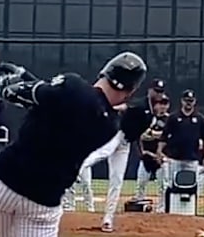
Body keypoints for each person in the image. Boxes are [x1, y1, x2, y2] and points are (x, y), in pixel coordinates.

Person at [0, 52, 148, 237]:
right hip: (42, 200)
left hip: (2, 181)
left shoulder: (72, 84)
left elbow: (19, 94)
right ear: (131, 90)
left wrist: (10, 83)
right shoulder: (109, 128)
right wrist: (23, 75)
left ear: (105, 71)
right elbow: (62, 103)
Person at [64, 79, 159, 232]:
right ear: (150, 92)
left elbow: (137, 136)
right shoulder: (141, 103)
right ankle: (75, 167)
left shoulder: (152, 118)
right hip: (117, 134)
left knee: (117, 180)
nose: (161, 103)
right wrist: (109, 109)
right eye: (158, 95)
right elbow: (124, 107)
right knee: (101, 153)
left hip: (125, 144)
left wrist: (142, 153)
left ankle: (108, 219)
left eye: (163, 101)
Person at [157, 89, 204, 209]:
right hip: (174, 158)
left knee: (191, 185)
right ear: (182, 101)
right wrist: (159, 151)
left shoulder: (200, 119)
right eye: (186, 101)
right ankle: (166, 209)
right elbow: (164, 136)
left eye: (191, 101)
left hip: (192, 159)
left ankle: (190, 210)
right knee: (170, 184)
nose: (188, 103)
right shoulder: (173, 117)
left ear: (195, 102)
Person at [132, 89, 170, 212]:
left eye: (165, 104)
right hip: (147, 156)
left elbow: (167, 136)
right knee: (141, 183)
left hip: (161, 158)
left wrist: (155, 134)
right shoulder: (148, 117)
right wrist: (143, 152)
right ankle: (139, 206)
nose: (162, 106)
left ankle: (161, 209)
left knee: (162, 186)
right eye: (160, 103)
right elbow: (141, 136)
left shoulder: (169, 120)